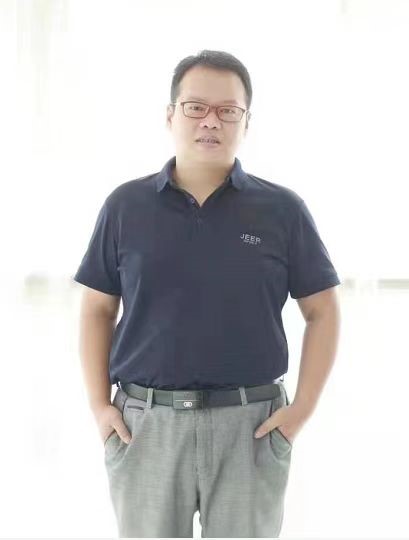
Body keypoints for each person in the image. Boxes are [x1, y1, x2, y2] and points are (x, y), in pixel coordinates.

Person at [73, 49, 341, 538]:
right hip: (145, 426)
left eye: (228, 111)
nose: (211, 121)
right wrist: (99, 406)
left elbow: (322, 310)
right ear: (170, 115)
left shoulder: (282, 210)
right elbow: (97, 309)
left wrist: (301, 409)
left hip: (252, 427)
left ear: (246, 122)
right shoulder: (125, 206)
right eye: (196, 107)